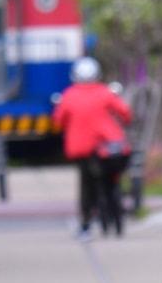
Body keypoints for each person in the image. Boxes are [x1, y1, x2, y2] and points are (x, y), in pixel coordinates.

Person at [53, 57, 133, 238]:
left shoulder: (69, 95)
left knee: (86, 184)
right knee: (112, 179)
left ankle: (86, 224)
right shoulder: (105, 93)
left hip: (81, 150)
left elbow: (58, 121)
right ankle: (117, 211)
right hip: (109, 148)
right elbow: (125, 112)